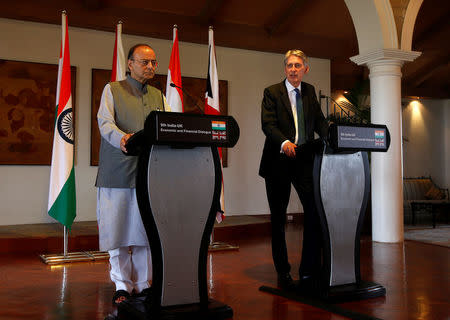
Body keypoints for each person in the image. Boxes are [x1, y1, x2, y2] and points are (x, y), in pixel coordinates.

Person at [95, 44, 170, 305]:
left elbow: (168, 127)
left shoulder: (160, 96)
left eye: (153, 62)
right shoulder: (112, 89)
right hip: (117, 170)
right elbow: (105, 122)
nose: (150, 67)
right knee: (117, 231)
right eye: (144, 62)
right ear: (130, 64)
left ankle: (141, 283)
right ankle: (121, 284)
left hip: (149, 173)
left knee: (142, 230)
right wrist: (122, 138)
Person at [259, 49, 328, 290]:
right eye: (289, 65)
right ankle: (283, 271)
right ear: (285, 68)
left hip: (304, 161)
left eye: (298, 65)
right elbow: (267, 124)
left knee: (314, 211)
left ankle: (309, 270)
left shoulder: (309, 92)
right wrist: (284, 142)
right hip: (278, 160)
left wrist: (333, 137)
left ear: (305, 69)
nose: (293, 69)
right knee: (278, 218)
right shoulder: (272, 92)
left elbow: (319, 121)